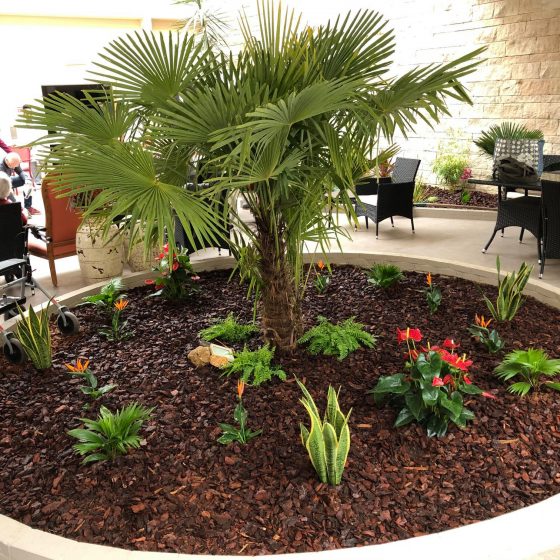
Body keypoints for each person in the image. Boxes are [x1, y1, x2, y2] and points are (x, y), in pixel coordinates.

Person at [0, 152, 40, 216]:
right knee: (14, 202)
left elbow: (21, 172)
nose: (13, 169)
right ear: (6, 161)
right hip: (2, 184)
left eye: (15, 166)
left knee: (26, 181)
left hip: (8, 179)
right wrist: (17, 206)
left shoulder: (12, 160)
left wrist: (27, 180)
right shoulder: (1, 168)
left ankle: (28, 207)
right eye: (11, 166)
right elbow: (7, 190)